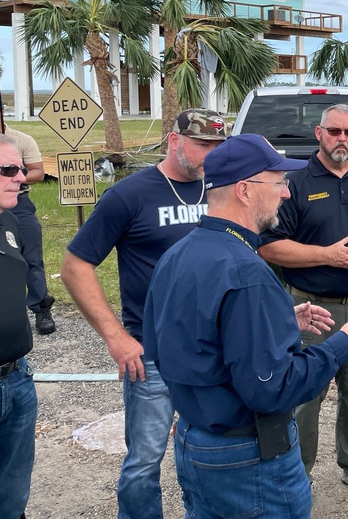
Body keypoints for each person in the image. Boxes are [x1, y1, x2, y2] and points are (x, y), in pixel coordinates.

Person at [143, 133, 348, 518]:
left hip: (195, 440)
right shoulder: (246, 271)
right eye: (280, 183)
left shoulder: (179, 253)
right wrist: (344, 344)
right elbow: (271, 389)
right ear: (244, 190)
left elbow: (167, 344)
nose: (287, 193)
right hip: (247, 456)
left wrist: (278, 322)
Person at [61, 109, 227, 519]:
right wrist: (115, 337)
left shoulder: (222, 190)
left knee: (211, 449)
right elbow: (74, 265)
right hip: (151, 353)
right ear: (174, 141)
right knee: (144, 461)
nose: (211, 155)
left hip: (215, 349)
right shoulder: (129, 195)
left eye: (218, 147)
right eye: (202, 144)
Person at [259, 104, 348, 491]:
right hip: (311, 307)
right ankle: (297, 473)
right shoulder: (296, 182)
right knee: (306, 392)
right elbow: (270, 247)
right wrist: (328, 255)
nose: (343, 139)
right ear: (319, 133)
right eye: (335, 131)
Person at [0, 137, 35, 519]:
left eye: (20, 169)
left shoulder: (10, 221)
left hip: (18, 380)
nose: (21, 178)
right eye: (8, 171)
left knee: (12, 497)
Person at [1, 108, 56, 335]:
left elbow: (38, 173)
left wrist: (14, 174)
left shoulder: (21, 140)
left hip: (19, 204)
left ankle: (40, 309)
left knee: (31, 259)